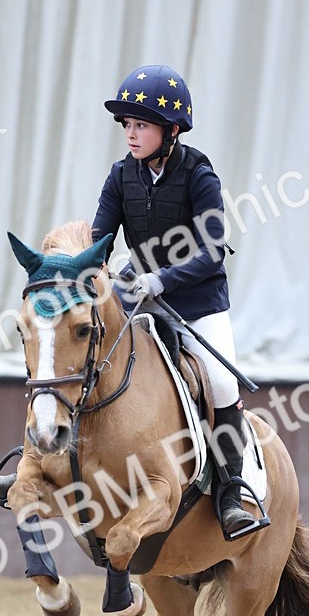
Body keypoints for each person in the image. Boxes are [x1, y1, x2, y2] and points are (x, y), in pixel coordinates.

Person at [91, 63, 263, 538]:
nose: (130, 133)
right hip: (136, 300)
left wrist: (161, 280)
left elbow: (211, 251)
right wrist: (91, 270)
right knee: (85, 357)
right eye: (127, 125)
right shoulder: (120, 175)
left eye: (140, 125)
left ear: (170, 131)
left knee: (224, 387)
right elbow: (99, 239)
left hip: (197, 304)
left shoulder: (198, 174)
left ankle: (231, 493)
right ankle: (42, 463)